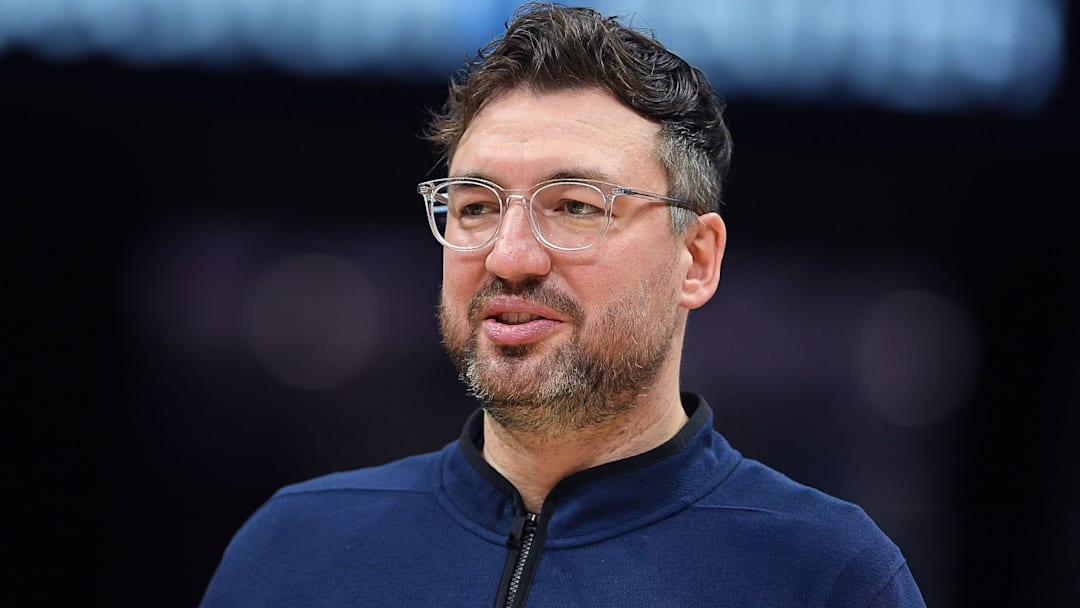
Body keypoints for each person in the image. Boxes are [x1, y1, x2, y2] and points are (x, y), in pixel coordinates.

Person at [200, 3, 926, 606]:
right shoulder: (291, 552)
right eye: (478, 206)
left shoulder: (825, 576)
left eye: (576, 206)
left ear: (696, 259)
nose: (511, 256)